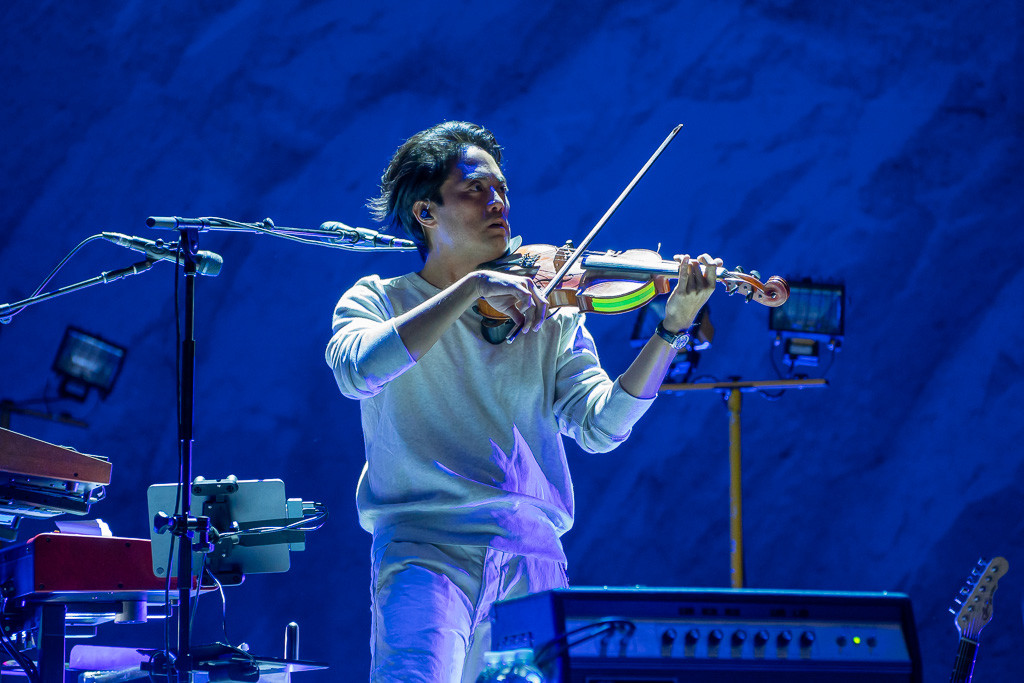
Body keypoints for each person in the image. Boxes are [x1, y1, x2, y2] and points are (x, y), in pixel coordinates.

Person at [325, 121, 720, 682]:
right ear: (426, 213)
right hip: (425, 551)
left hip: (533, 560)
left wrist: (671, 331)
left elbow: (602, 426)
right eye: (475, 189)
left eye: (502, 189)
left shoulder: (550, 310)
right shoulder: (378, 300)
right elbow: (358, 370)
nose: (498, 202)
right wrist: (469, 291)